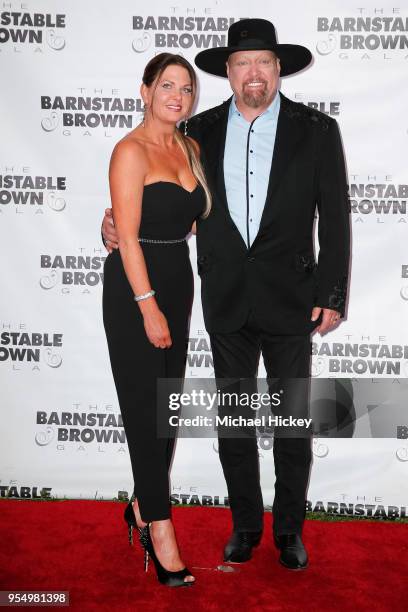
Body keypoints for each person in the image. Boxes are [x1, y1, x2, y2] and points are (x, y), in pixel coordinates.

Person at [102, 19, 350, 571]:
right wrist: (113, 220)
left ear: (278, 68)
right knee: (233, 422)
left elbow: (334, 216)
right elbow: (161, 196)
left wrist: (332, 291)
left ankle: (288, 531)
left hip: (291, 300)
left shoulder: (317, 130)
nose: (253, 72)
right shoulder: (199, 133)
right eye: (242, 63)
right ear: (229, 73)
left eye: (263, 61)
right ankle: (244, 528)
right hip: (224, 297)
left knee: (289, 422)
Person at [102, 52, 211, 587]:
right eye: (166, 85)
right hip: (135, 287)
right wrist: (148, 307)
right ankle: (160, 526)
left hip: (179, 280)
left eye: (186, 88)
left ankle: (141, 506)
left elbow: (188, 222)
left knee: (165, 408)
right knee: (145, 409)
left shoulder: (190, 148)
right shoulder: (130, 151)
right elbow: (124, 235)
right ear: (144, 91)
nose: (177, 95)